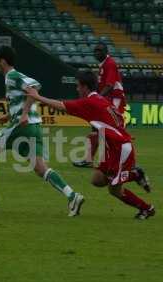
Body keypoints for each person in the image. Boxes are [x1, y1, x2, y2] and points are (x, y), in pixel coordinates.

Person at [0, 45, 84, 217]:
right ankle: (72, 196)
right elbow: (26, 95)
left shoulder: (12, 75)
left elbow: (34, 89)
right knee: (40, 168)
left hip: (21, 126)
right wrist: (8, 115)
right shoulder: (11, 78)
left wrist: (23, 114)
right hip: (34, 127)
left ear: (2, 61)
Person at [27, 71, 154, 220]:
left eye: (78, 86)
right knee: (97, 180)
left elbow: (61, 106)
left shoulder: (90, 102)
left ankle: (146, 207)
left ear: (85, 87)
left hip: (119, 149)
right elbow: (118, 119)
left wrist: (37, 97)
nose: (77, 89)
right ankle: (134, 174)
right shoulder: (100, 99)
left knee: (114, 189)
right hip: (112, 147)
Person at [73, 43, 126, 168]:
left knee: (113, 130)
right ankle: (89, 159)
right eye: (95, 51)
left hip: (114, 100)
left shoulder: (110, 63)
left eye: (99, 50)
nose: (97, 53)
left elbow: (110, 85)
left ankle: (122, 159)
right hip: (107, 99)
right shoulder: (103, 65)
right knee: (96, 127)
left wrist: (98, 98)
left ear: (106, 52)